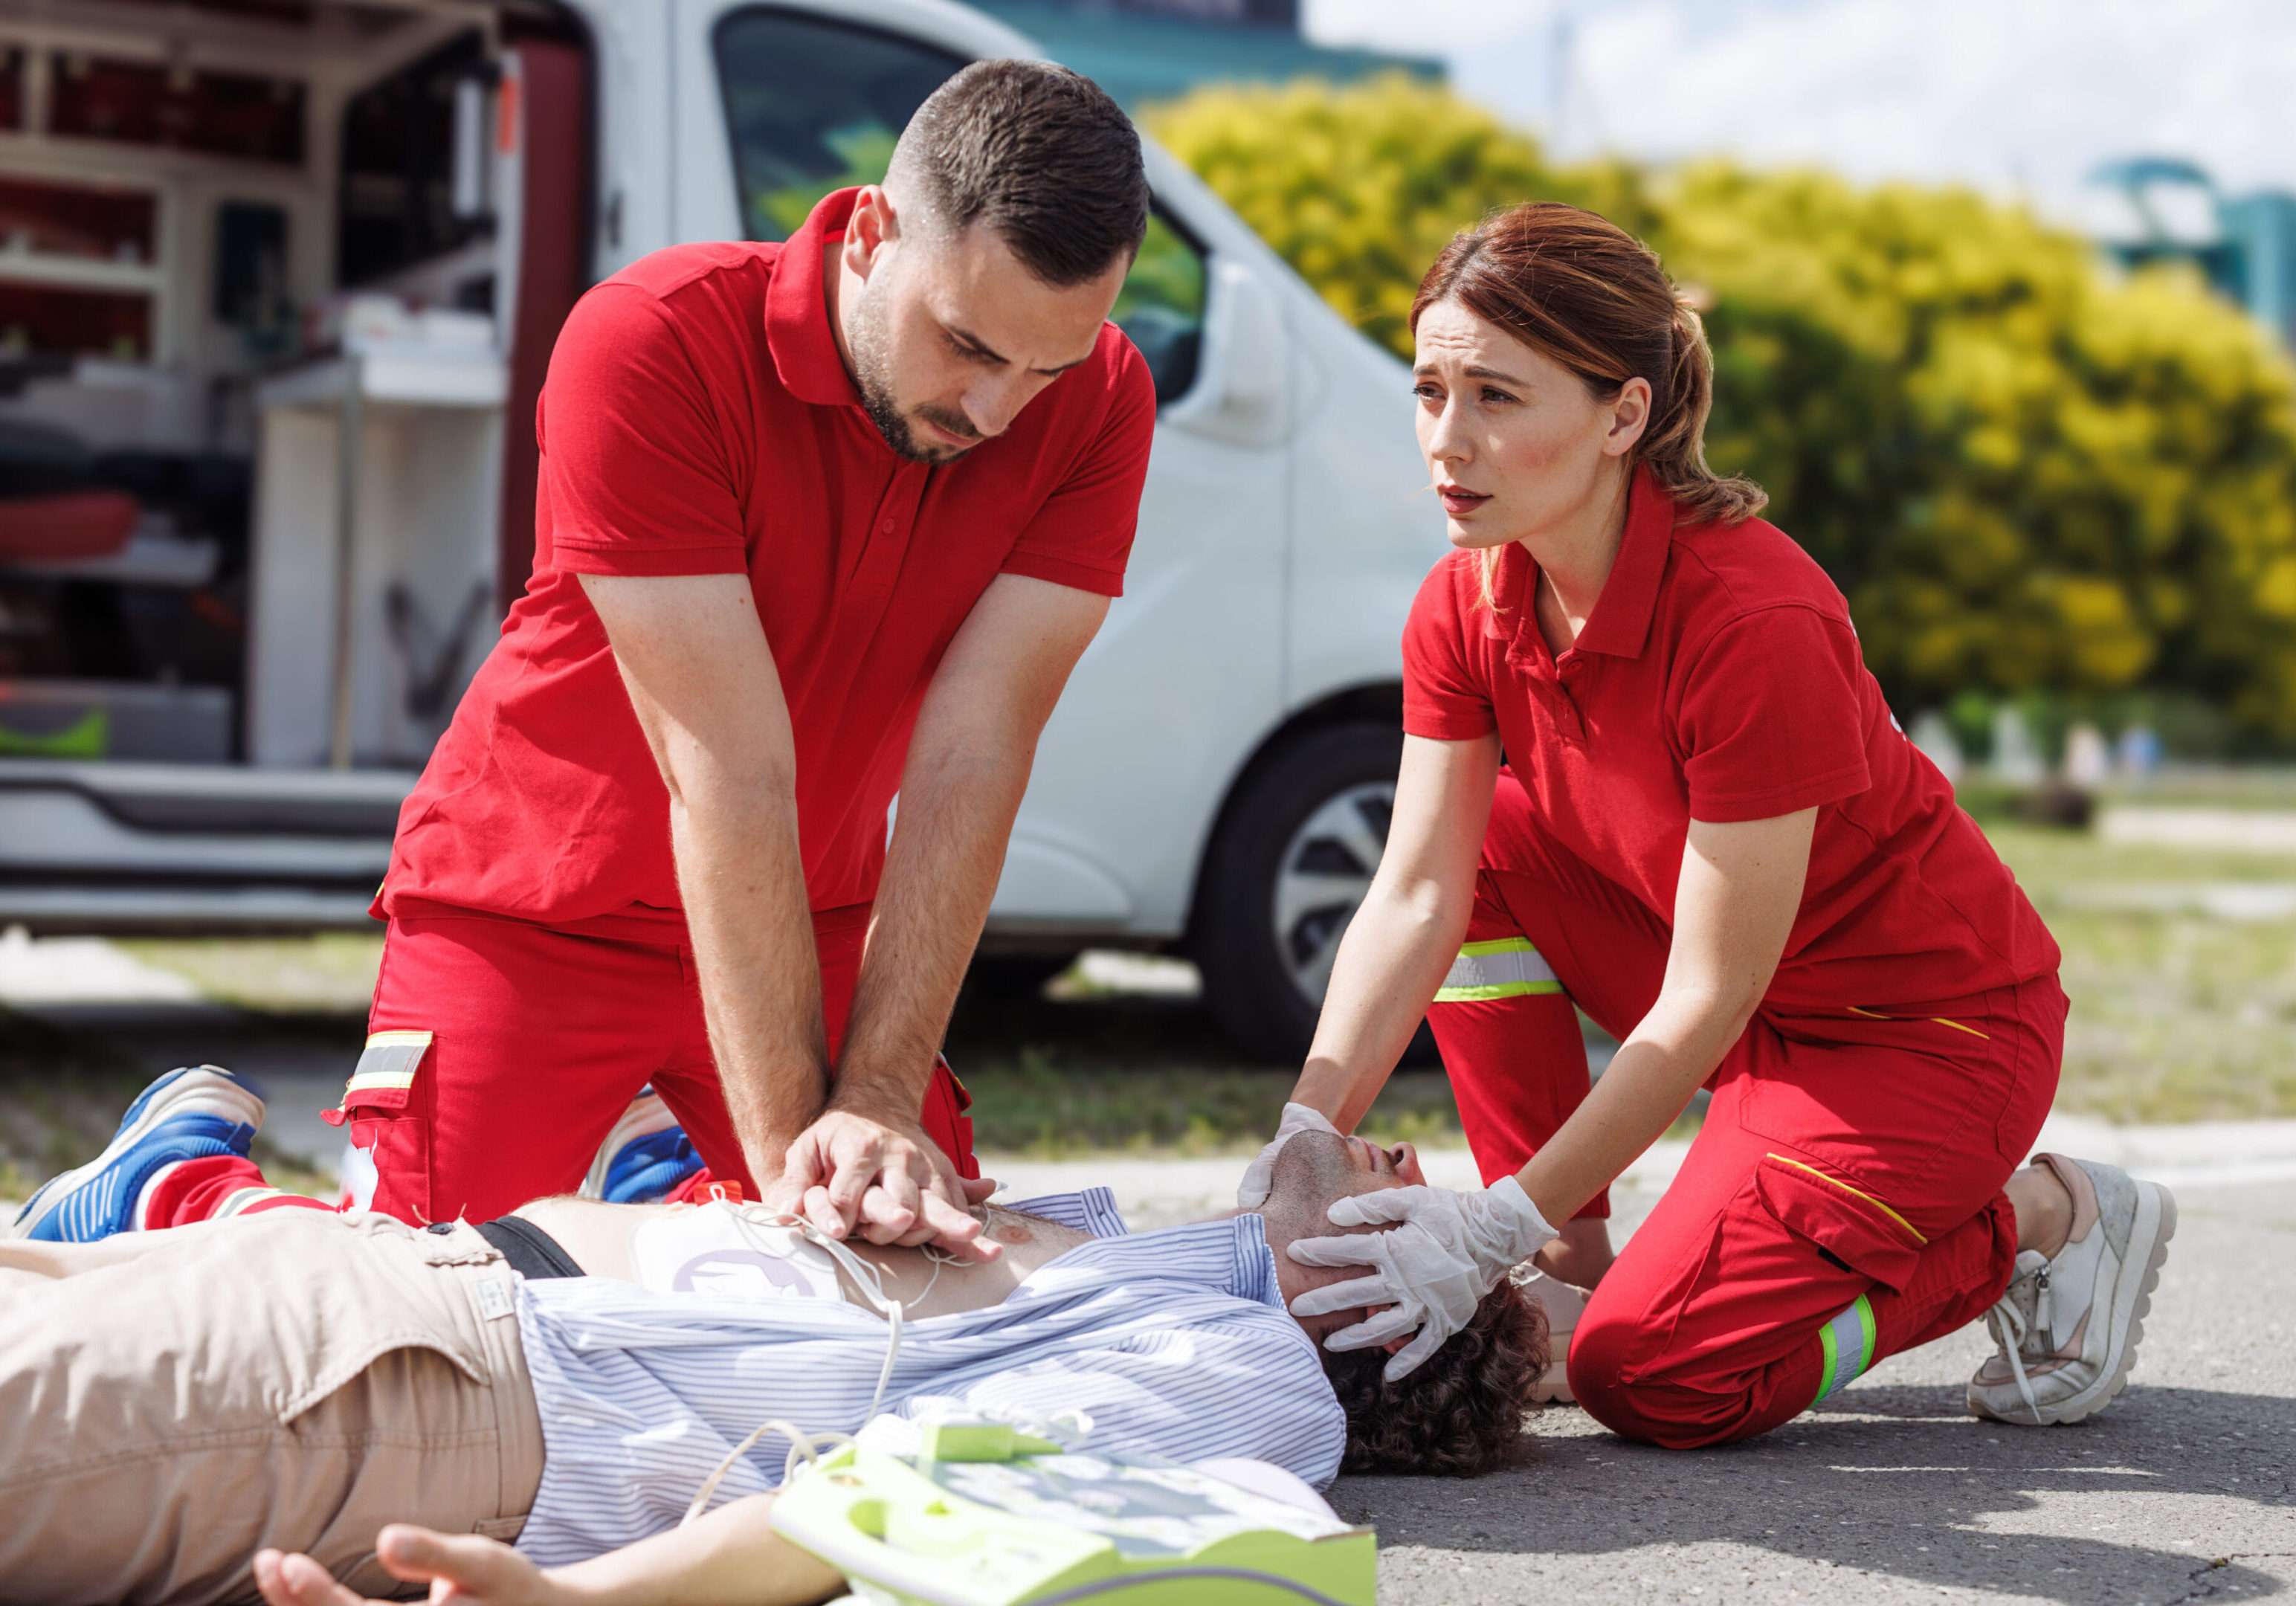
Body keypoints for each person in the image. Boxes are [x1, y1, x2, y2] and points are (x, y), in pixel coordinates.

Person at [111, 59, 1161, 1255]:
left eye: (1046, 369)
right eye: (967, 343)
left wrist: (872, 1095)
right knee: (419, 1300)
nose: (996, 412)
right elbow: (729, 766)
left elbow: (978, 752)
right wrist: (792, 1176)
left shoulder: (1105, 401)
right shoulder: (652, 340)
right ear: (871, 232)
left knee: (929, 1277)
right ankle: (170, 1184)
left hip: (813, 917)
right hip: (541, 911)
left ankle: (666, 1188)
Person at [1238, 201, 2176, 1448]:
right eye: (1428, 392)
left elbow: (1707, 996)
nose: (1446, 444)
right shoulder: (1464, 601)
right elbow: (1415, 893)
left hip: (1918, 1039)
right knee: (1492, 846)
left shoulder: (1755, 622)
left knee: (1651, 1379)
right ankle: (1573, 1251)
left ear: (1625, 415)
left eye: (1498, 399)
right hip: (1741, 1016)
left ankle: (2040, 1221)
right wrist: (1307, 1130)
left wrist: (1491, 1220)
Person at [0, 1068, 1545, 1606]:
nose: (1406, 1160)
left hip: (417, 1395)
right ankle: (171, 1195)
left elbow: (895, 1496)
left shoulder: (1253, 1373)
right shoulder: (1126, 1247)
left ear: (1379, 1317)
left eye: (1423, 1206)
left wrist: (577, 1603)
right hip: (398, 1289)